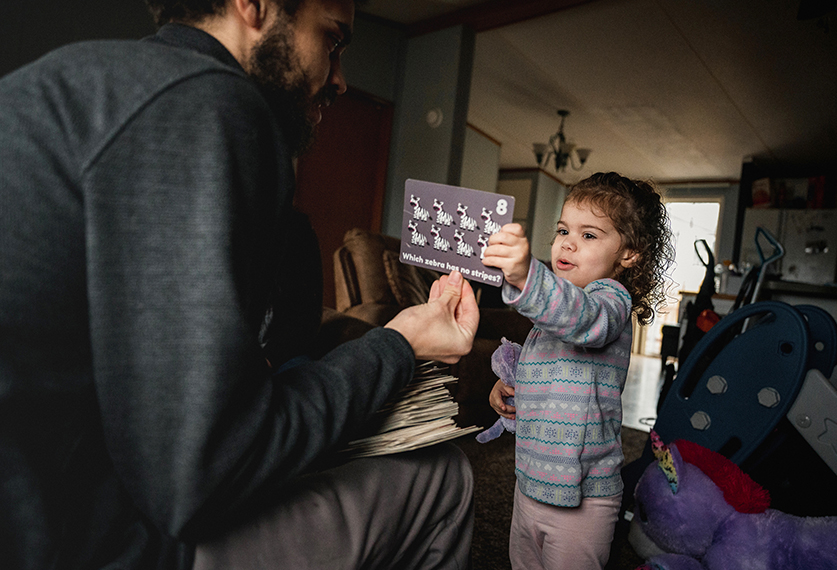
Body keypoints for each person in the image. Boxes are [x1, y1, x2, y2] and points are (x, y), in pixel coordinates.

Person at [0, 0, 480, 569]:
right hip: (89, 547)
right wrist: (399, 344)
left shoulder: (60, 81)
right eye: (333, 40)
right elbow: (202, 476)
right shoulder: (209, 99)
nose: (340, 80)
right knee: (443, 476)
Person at [481, 172, 673, 570]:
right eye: (564, 229)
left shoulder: (609, 303)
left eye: (589, 235)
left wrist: (526, 277)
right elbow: (547, 369)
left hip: (583, 496)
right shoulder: (549, 316)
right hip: (530, 481)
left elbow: (580, 319)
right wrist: (510, 388)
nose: (567, 242)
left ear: (629, 254)